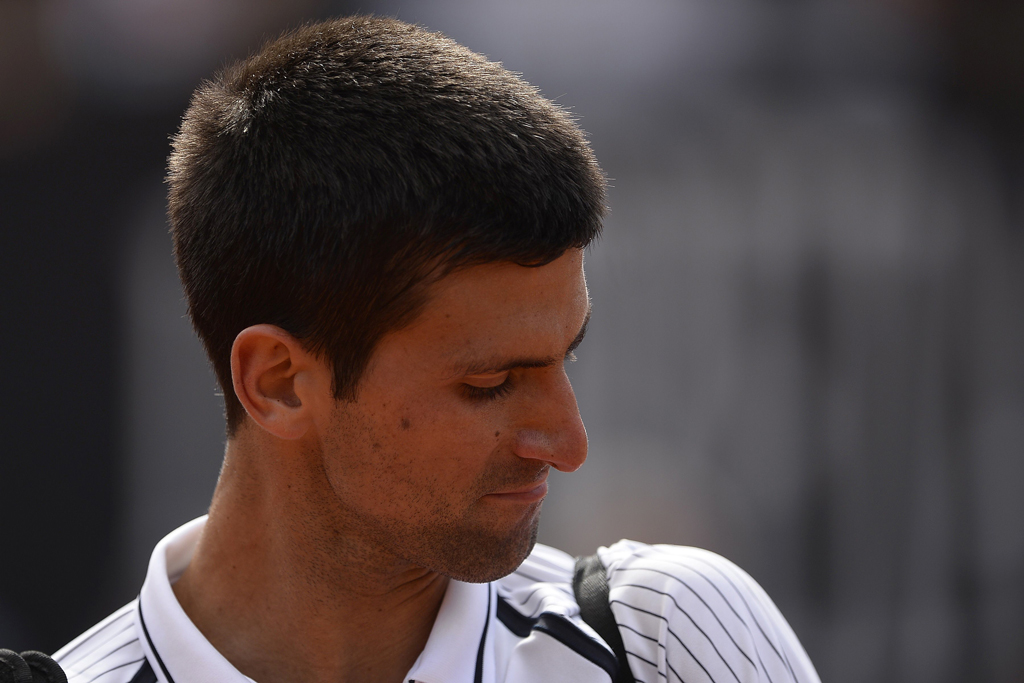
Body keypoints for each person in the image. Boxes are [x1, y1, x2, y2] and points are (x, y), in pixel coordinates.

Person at [53, 16, 821, 683]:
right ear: (279, 382)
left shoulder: (665, 641)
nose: (568, 443)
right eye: (490, 382)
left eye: (566, 357)